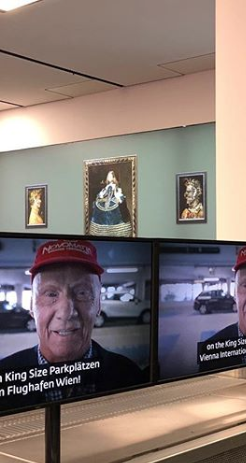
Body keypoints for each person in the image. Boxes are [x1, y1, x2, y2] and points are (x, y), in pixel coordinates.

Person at [0, 239, 145, 407]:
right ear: (32, 307)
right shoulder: (4, 376)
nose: (66, 313)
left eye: (82, 293)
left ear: (98, 304)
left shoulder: (130, 376)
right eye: (51, 294)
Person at [89, 170, 133, 237]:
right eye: (109, 181)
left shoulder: (117, 189)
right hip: (103, 207)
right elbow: (100, 196)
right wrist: (102, 196)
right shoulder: (104, 190)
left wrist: (117, 196)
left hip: (116, 206)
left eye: (112, 178)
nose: (110, 182)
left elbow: (120, 198)